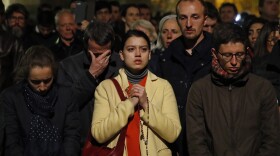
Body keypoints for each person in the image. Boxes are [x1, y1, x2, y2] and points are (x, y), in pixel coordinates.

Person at [186, 23, 279, 156]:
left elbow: (272, 139)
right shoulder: (200, 90)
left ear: (246, 51)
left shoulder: (262, 88)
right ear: (215, 54)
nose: (234, 62)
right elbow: (196, 142)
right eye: (227, 55)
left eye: (239, 54)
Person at [91, 30, 181, 156]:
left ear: (149, 54)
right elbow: (99, 134)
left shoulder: (163, 86)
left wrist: (146, 105)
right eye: (131, 49)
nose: (138, 54)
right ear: (121, 55)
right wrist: (129, 104)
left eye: (143, 49)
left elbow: (173, 134)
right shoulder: (106, 88)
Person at [0, 45, 80, 156]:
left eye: (47, 80)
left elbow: (71, 136)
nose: (42, 87)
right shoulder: (12, 97)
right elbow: (12, 140)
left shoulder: (66, 95)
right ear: (26, 76)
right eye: (36, 82)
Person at [57, 20, 123, 148]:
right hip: (82, 142)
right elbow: (65, 105)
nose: (100, 59)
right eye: (96, 54)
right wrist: (91, 75)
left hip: (116, 141)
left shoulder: (122, 64)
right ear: (86, 47)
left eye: (106, 54)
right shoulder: (68, 66)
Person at [159, 0, 213, 155]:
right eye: (183, 18)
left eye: (195, 17)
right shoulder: (165, 57)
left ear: (205, 19)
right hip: (173, 142)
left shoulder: (219, 54)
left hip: (208, 141)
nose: (188, 24)